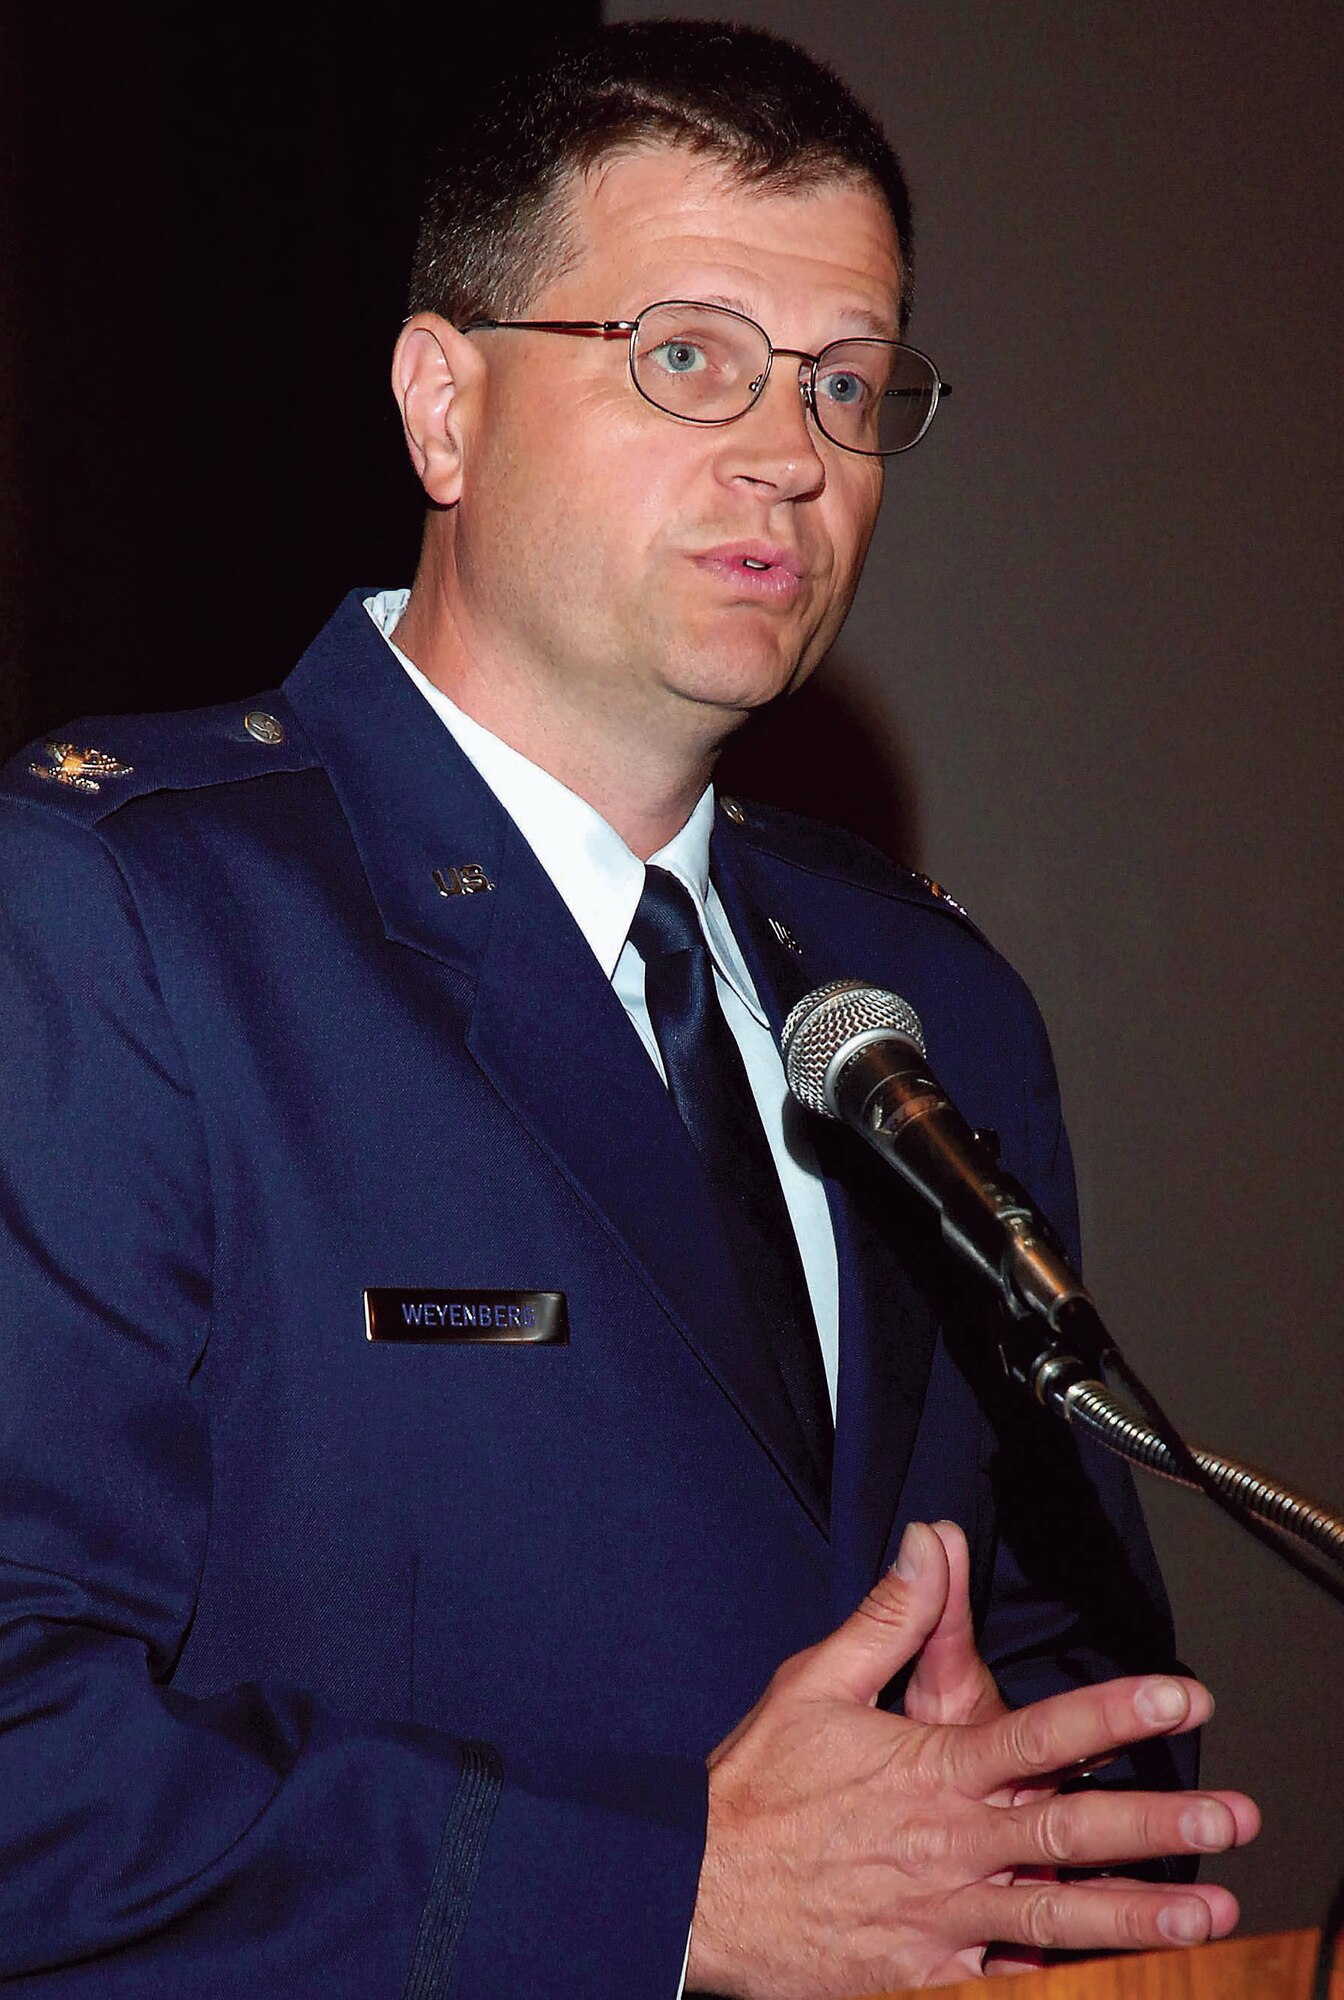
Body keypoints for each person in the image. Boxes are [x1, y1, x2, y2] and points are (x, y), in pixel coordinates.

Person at [0, 21, 1257, 1998]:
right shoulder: (122, 915)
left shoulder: (921, 1002)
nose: (793, 452)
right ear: (444, 408)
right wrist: (671, 1894)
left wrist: (1006, 1854)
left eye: (846, 383)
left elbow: (1064, 1659)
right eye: (688, 357)